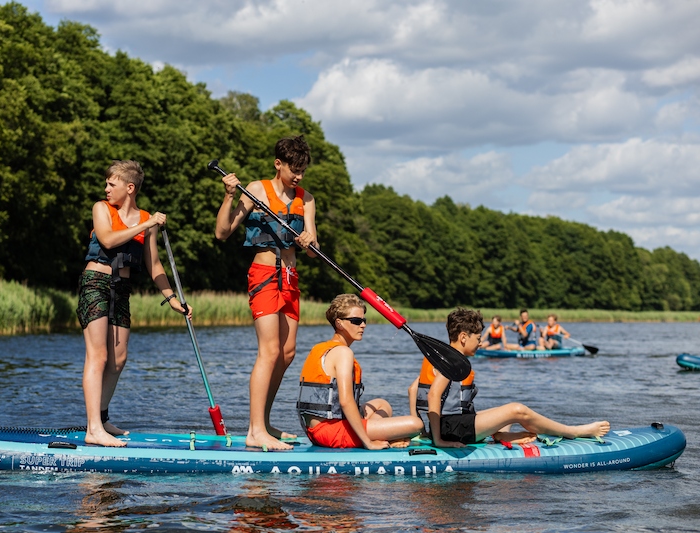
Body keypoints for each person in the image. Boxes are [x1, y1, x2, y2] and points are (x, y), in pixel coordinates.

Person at [78, 160, 191, 447]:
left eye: (111, 184)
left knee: (118, 359)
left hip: (122, 289)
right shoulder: (101, 209)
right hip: (96, 283)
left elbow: (154, 265)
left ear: (129, 188)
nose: (106, 189)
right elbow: (107, 240)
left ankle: (102, 418)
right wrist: (147, 224)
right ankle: (93, 429)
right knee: (98, 356)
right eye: (106, 184)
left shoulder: (145, 220)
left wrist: (171, 298)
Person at [215, 136, 318, 450]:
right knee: (270, 351)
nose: (299, 175)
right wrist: (229, 196)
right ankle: (255, 431)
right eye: (294, 169)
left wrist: (309, 242)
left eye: (302, 170)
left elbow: (313, 248)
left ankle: (265, 423)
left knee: (286, 353)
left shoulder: (307, 199)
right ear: (278, 164)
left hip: (290, 277)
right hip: (264, 274)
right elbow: (222, 232)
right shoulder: (256, 189)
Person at [413, 307, 609, 448]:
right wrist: (438, 440)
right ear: (464, 337)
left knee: (504, 414)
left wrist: (422, 430)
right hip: (453, 428)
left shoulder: (440, 357)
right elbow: (433, 395)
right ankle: (573, 431)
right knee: (517, 410)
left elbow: (413, 389)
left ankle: (500, 435)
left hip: (455, 423)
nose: (480, 343)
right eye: (478, 338)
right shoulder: (452, 361)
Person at [297, 294, 424, 449]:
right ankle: (376, 437)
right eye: (356, 321)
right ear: (339, 323)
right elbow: (345, 401)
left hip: (314, 430)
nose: (363, 325)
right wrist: (367, 442)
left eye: (364, 320)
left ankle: (381, 435)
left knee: (382, 404)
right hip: (330, 432)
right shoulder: (343, 353)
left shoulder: (321, 348)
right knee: (416, 424)